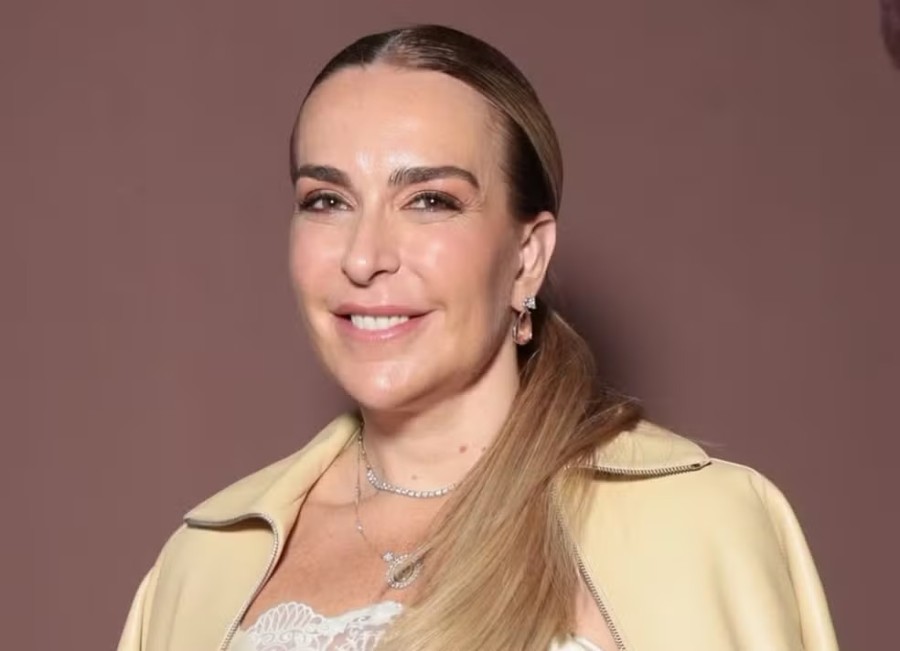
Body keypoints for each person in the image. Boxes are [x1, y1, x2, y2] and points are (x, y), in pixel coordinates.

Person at [117, 24, 839, 651]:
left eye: (430, 200)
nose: (364, 257)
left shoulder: (699, 527)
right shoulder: (203, 564)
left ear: (527, 257)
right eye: (327, 200)